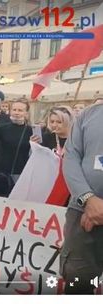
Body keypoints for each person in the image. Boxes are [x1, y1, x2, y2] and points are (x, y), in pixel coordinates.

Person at [61, 101, 103, 294]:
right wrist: (88, 199)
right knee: (79, 283)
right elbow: (70, 157)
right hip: (81, 213)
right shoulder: (87, 115)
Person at [0, 99, 32, 197]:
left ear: (26, 113)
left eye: (20, 110)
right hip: (0, 171)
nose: (16, 113)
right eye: (14, 109)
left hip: (19, 173)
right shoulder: (3, 127)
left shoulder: (30, 130)